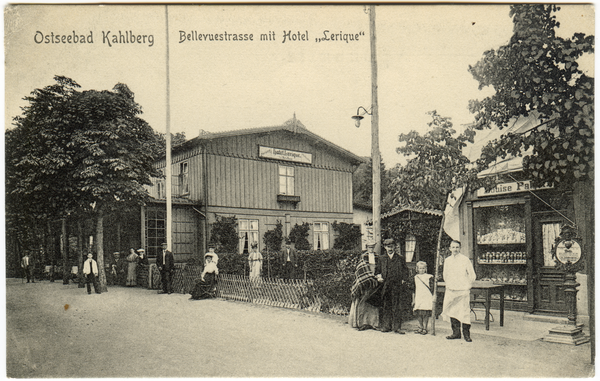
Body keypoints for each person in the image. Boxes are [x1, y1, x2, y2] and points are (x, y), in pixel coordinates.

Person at [442, 240, 476, 342]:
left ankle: (466, 334)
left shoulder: (465, 260)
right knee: (452, 311)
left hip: (463, 290)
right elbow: (445, 274)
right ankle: (456, 333)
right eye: (453, 247)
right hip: (451, 290)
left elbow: (472, 275)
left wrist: (467, 285)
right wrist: (449, 284)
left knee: (464, 312)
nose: (455, 249)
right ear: (450, 248)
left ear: (460, 248)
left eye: (457, 247)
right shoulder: (447, 260)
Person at [375, 238, 410, 334]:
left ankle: (397, 327)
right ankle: (386, 326)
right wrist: (379, 277)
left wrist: (403, 279)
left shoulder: (400, 258)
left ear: (395, 247)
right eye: (388, 246)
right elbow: (377, 271)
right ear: (385, 247)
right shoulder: (382, 258)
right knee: (386, 305)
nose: (390, 248)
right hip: (386, 285)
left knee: (397, 306)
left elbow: (405, 271)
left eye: (392, 246)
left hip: (397, 285)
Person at [349, 252, 380, 331]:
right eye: (369, 247)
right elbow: (361, 270)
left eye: (372, 247)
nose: (371, 248)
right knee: (362, 302)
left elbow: (379, 268)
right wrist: (368, 278)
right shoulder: (363, 257)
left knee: (373, 302)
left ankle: (373, 322)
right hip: (365, 282)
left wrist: (377, 277)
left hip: (374, 282)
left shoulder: (377, 257)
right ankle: (361, 323)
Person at [412, 261, 434, 335]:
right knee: (418, 312)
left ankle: (425, 327)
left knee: (425, 313)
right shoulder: (415, 277)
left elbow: (432, 288)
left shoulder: (429, 277)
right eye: (420, 268)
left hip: (426, 296)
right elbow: (413, 289)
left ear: (426, 269)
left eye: (423, 268)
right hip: (419, 296)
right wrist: (413, 299)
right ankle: (420, 326)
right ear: (417, 269)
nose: (421, 270)